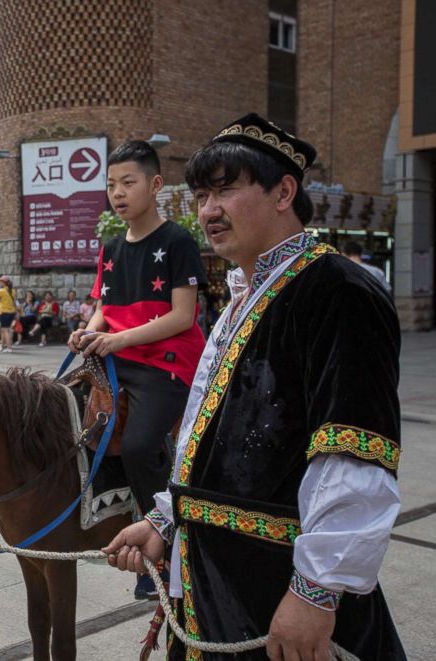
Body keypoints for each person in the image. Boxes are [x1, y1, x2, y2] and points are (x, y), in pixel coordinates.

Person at [104, 114, 405, 660]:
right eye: (200, 195)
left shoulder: (339, 290)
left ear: (284, 191)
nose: (208, 211)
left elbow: (354, 453)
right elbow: (210, 439)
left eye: (225, 189)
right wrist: (165, 519)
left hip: (274, 587)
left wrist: (314, 593)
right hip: (213, 579)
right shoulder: (244, 294)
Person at [70, 139, 207, 599]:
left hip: (167, 364)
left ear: (155, 185)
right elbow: (104, 307)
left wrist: (116, 339)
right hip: (116, 357)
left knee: (141, 443)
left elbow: (182, 317)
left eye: (128, 183)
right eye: (111, 185)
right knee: (63, 419)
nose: (118, 193)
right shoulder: (110, 248)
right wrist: (87, 333)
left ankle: (161, 552)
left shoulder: (178, 240)